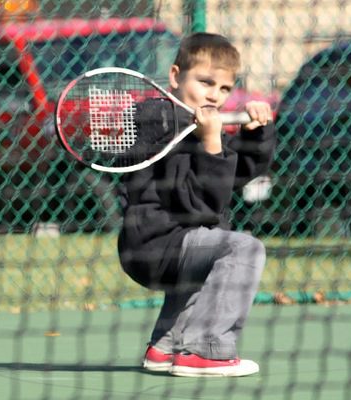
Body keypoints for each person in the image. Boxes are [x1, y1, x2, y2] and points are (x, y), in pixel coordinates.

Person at [117, 32, 275, 377]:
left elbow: (236, 174)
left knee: (214, 243)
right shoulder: (157, 123)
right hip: (153, 247)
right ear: (175, 76)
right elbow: (201, 203)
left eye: (224, 89)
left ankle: (166, 346)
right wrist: (210, 142)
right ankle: (206, 351)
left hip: (175, 245)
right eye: (205, 82)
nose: (214, 95)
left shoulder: (194, 127)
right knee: (242, 250)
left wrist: (255, 133)